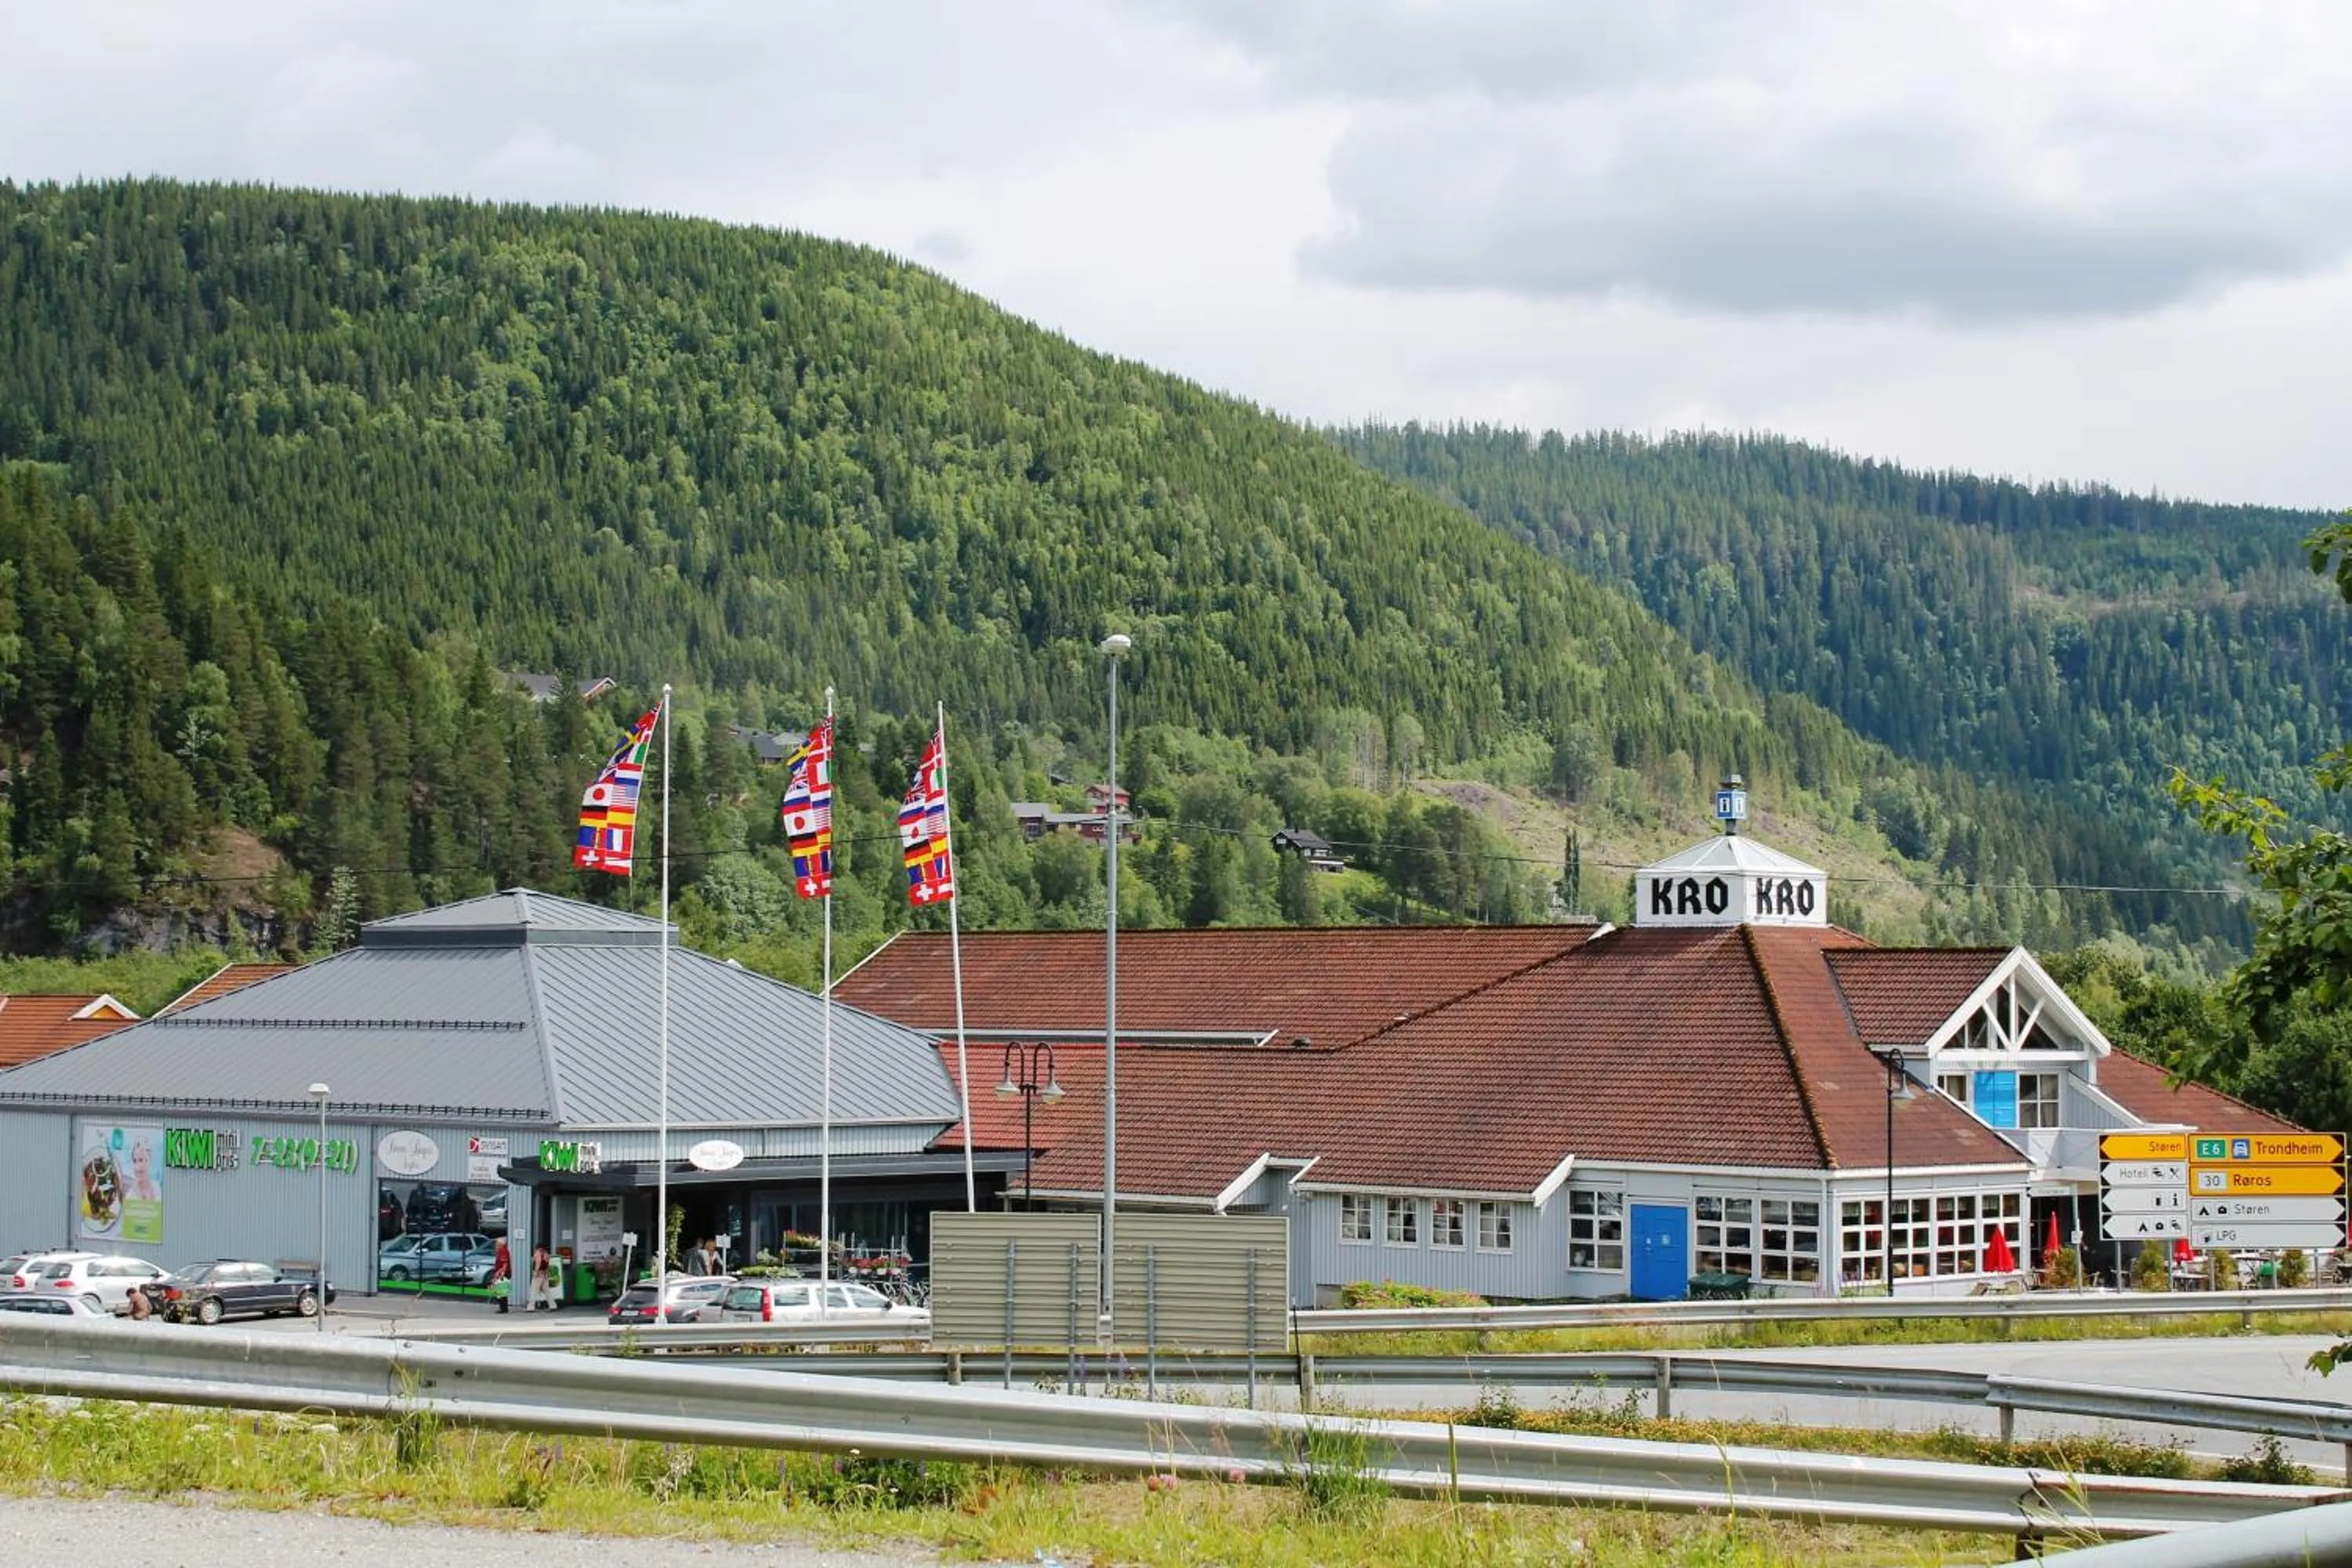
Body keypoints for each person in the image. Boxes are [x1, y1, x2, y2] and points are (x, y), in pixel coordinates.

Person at [488, 1236, 511, 1313]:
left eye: (497, 1244)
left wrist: (502, 1274)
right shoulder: (501, 1251)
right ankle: (504, 1308)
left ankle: (503, 1308)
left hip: (502, 1274)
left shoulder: (503, 1251)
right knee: (502, 1292)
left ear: (501, 1244)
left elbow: (505, 1263)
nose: (496, 1245)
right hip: (501, 1273)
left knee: (500, 1292)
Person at [529, 1244, 554, 1310]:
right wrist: (547, 1274)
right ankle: (553, 1305)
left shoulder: (538, 1253)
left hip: (539, 1274)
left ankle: (531, 1307)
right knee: (547, 1291)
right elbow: (547, 1265)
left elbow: (538, 1262)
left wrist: (535, 1272)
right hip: (544, 1274)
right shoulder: (546, 1254)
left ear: (537, 1248)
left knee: (534, 1290)